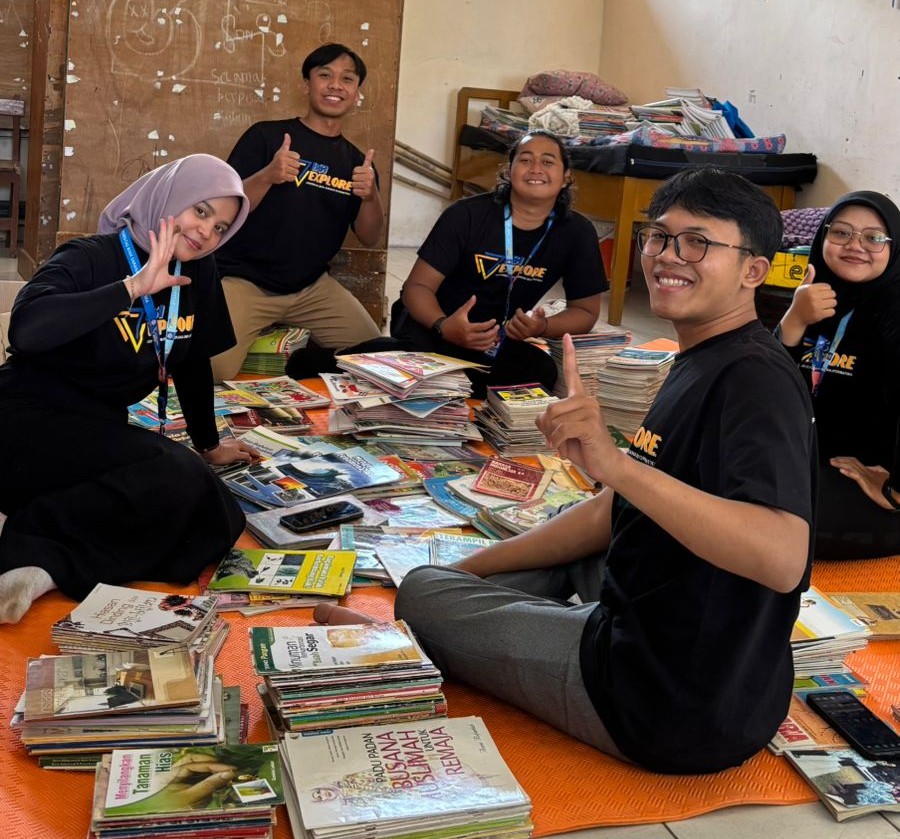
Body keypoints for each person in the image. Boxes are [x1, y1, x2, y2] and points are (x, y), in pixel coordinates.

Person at [387, 168, 817, 774]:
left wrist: (612, 463)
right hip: (730, 681)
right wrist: (465, 571)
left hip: (659, 704)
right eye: (659, 237)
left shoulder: (754, 380)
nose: (670, 257)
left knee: (420, 595)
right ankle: (495, 612)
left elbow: (781, 558)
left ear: (753, 269)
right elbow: (615, 510)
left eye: (699, 242)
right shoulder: (707, 355)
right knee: (553, 539)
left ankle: (491, 626)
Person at [0, 154, 259, 624]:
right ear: (168, 197)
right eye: (200, 211)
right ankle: (32, 554)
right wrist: (132, 287)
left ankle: (43, 547)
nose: (206, 232)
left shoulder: (197, 272)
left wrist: (209, 444)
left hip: (98, 435)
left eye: (221, 226)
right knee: (175, 477)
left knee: (212, 508)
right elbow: (26, 331)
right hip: (22, 422)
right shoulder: (91, 256)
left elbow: (193, 358)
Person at [210, 42, 385, 382]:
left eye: (347, 79)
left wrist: (370, 196)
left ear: (356, 92)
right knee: (215, 370)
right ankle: (265, 345)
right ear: (307, 85)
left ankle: (300, 358)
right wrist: (268, 176)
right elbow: (223, 211)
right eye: (325, 75)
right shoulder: (266, 136)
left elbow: (369, 235)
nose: (336, 85)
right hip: (245, 281)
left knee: (376, 359)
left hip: (311, 287)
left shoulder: (357, 162)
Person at [387, 129, 606, 396]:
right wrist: (444, 326)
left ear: (566, 177)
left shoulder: (576, 232)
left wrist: (542, 327)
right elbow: (417, 288)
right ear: (509, 171)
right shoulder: (465, 215)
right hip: (432, 326)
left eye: (548, 161)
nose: (536, 168)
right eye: (525, 160)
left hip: (495, 338)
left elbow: (585, 311)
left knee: (540, 372)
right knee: (420, 375)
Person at [776, 190, 900, 560]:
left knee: (767, 518)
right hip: (807, 460)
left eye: (874, 237)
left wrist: (897, 488)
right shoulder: (814, 296)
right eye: (841, 232)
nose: (855, 245)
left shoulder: (895, 308)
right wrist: (794, 319)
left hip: (864, 479)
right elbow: (763, 387)